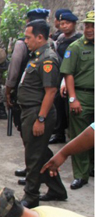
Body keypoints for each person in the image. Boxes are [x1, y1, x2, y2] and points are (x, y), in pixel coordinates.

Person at [16, 19, 67, 208]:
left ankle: (30, 196)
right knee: (41, 153)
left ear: (40, 37)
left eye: (29, 37)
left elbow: (51, 92)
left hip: (37, 112)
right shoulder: (36, 55)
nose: (26, 41)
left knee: (34, 157)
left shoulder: (47, 58)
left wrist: (41, 119)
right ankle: (57, 190)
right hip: (30, 111)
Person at [5, 8, 50, 186]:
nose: (26, 38)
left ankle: (33, 183)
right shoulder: (42, 48)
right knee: (37, 147)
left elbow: (14, 70)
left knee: (34, 146)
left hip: (33, 106)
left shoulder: (34, 50)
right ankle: (49, 182)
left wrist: (8, 91)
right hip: (33, 102)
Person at [60, 10, 94, 190]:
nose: (89, 29)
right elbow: (68, 73)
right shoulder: (75, 47)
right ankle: (80, 175)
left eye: (93, 26)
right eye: (87, 25)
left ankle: (91, 167)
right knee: (80, 136)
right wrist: (73, 98)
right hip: (82, 96)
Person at [49, 11, 83, 145]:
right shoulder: (60, 39)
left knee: (70, 107)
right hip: (59, 77)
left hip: (72, 78)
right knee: (59, 106)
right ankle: (59, 133)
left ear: (74, 24)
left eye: (67, 23)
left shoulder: (78, 40)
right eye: (62, 23)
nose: (64, 26)